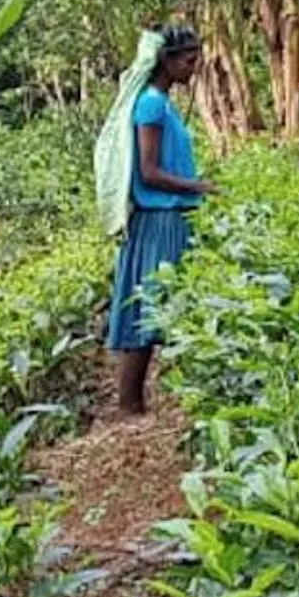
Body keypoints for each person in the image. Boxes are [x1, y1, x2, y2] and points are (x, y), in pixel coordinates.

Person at [97, 25, 215, 415]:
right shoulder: (150, 105)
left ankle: (136, 404)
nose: (193, 68)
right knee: (148, 315)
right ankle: (129, 405)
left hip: (169, 217)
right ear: (167, 61)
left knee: (155, 313)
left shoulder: (161, 103)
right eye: (188, 60)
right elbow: (148, 172)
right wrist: (199, 187)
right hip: (159, 219)